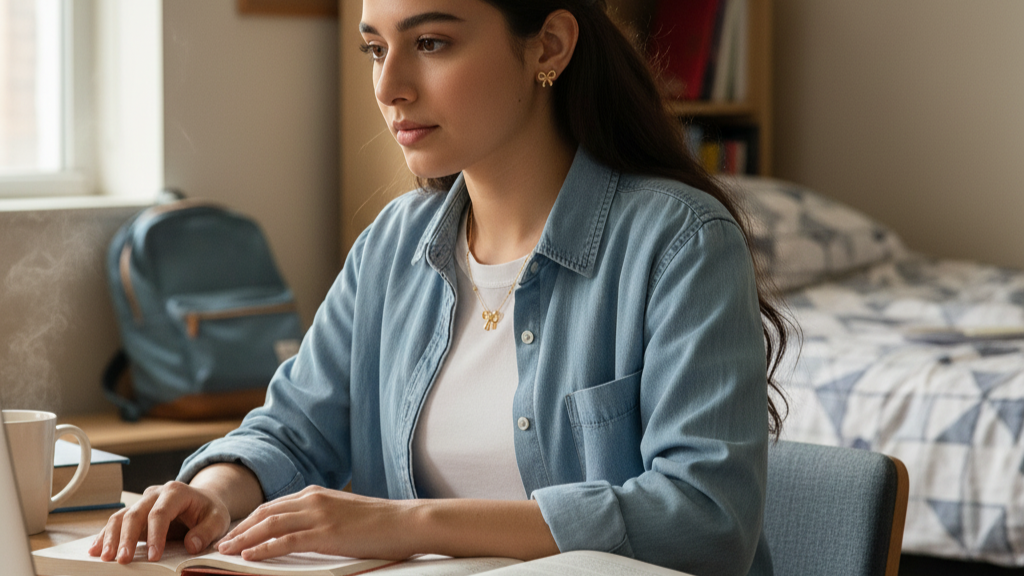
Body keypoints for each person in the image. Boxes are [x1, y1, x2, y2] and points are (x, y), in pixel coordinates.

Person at [90, 1, 789, 574]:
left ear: (548, 46)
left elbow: (705, 518)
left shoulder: (679, 242)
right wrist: (212, 491)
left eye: (430, 42)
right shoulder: (395, 244)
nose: (390, 85)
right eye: (374, 49)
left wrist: (403, 525)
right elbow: (295, 430)